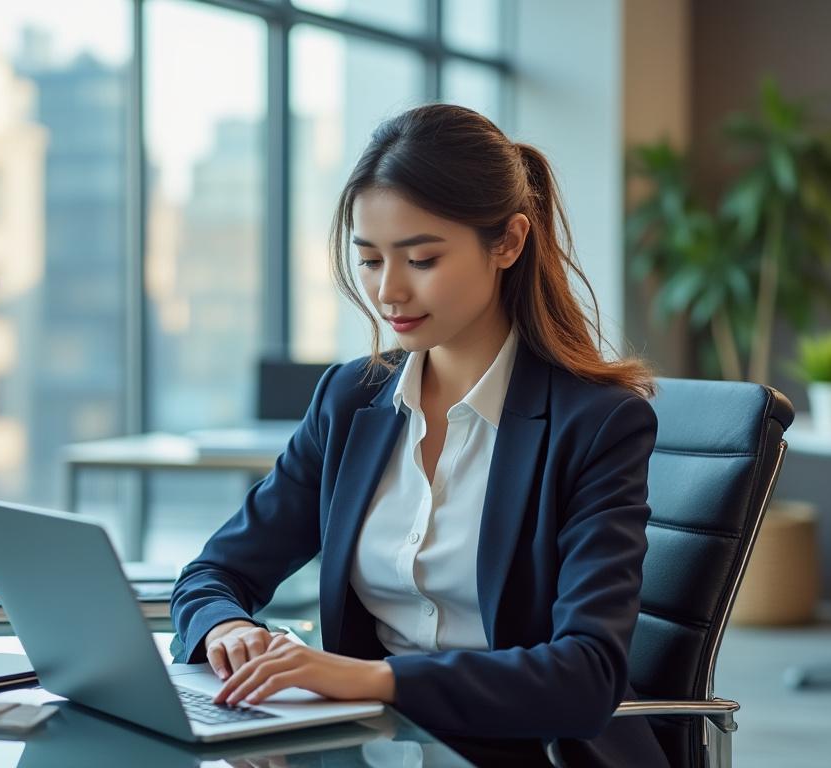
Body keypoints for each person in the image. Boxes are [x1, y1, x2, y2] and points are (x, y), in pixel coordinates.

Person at [171, 103, 667, 767]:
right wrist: (226, 625)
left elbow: (586, 674)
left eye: (422, 258)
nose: (389, 291)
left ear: (509, 243)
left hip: (532, 753)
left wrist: (370, 679)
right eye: (370, 260)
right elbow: (215, 572)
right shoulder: (351, 400)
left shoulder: (597, 424)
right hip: (375, 749)